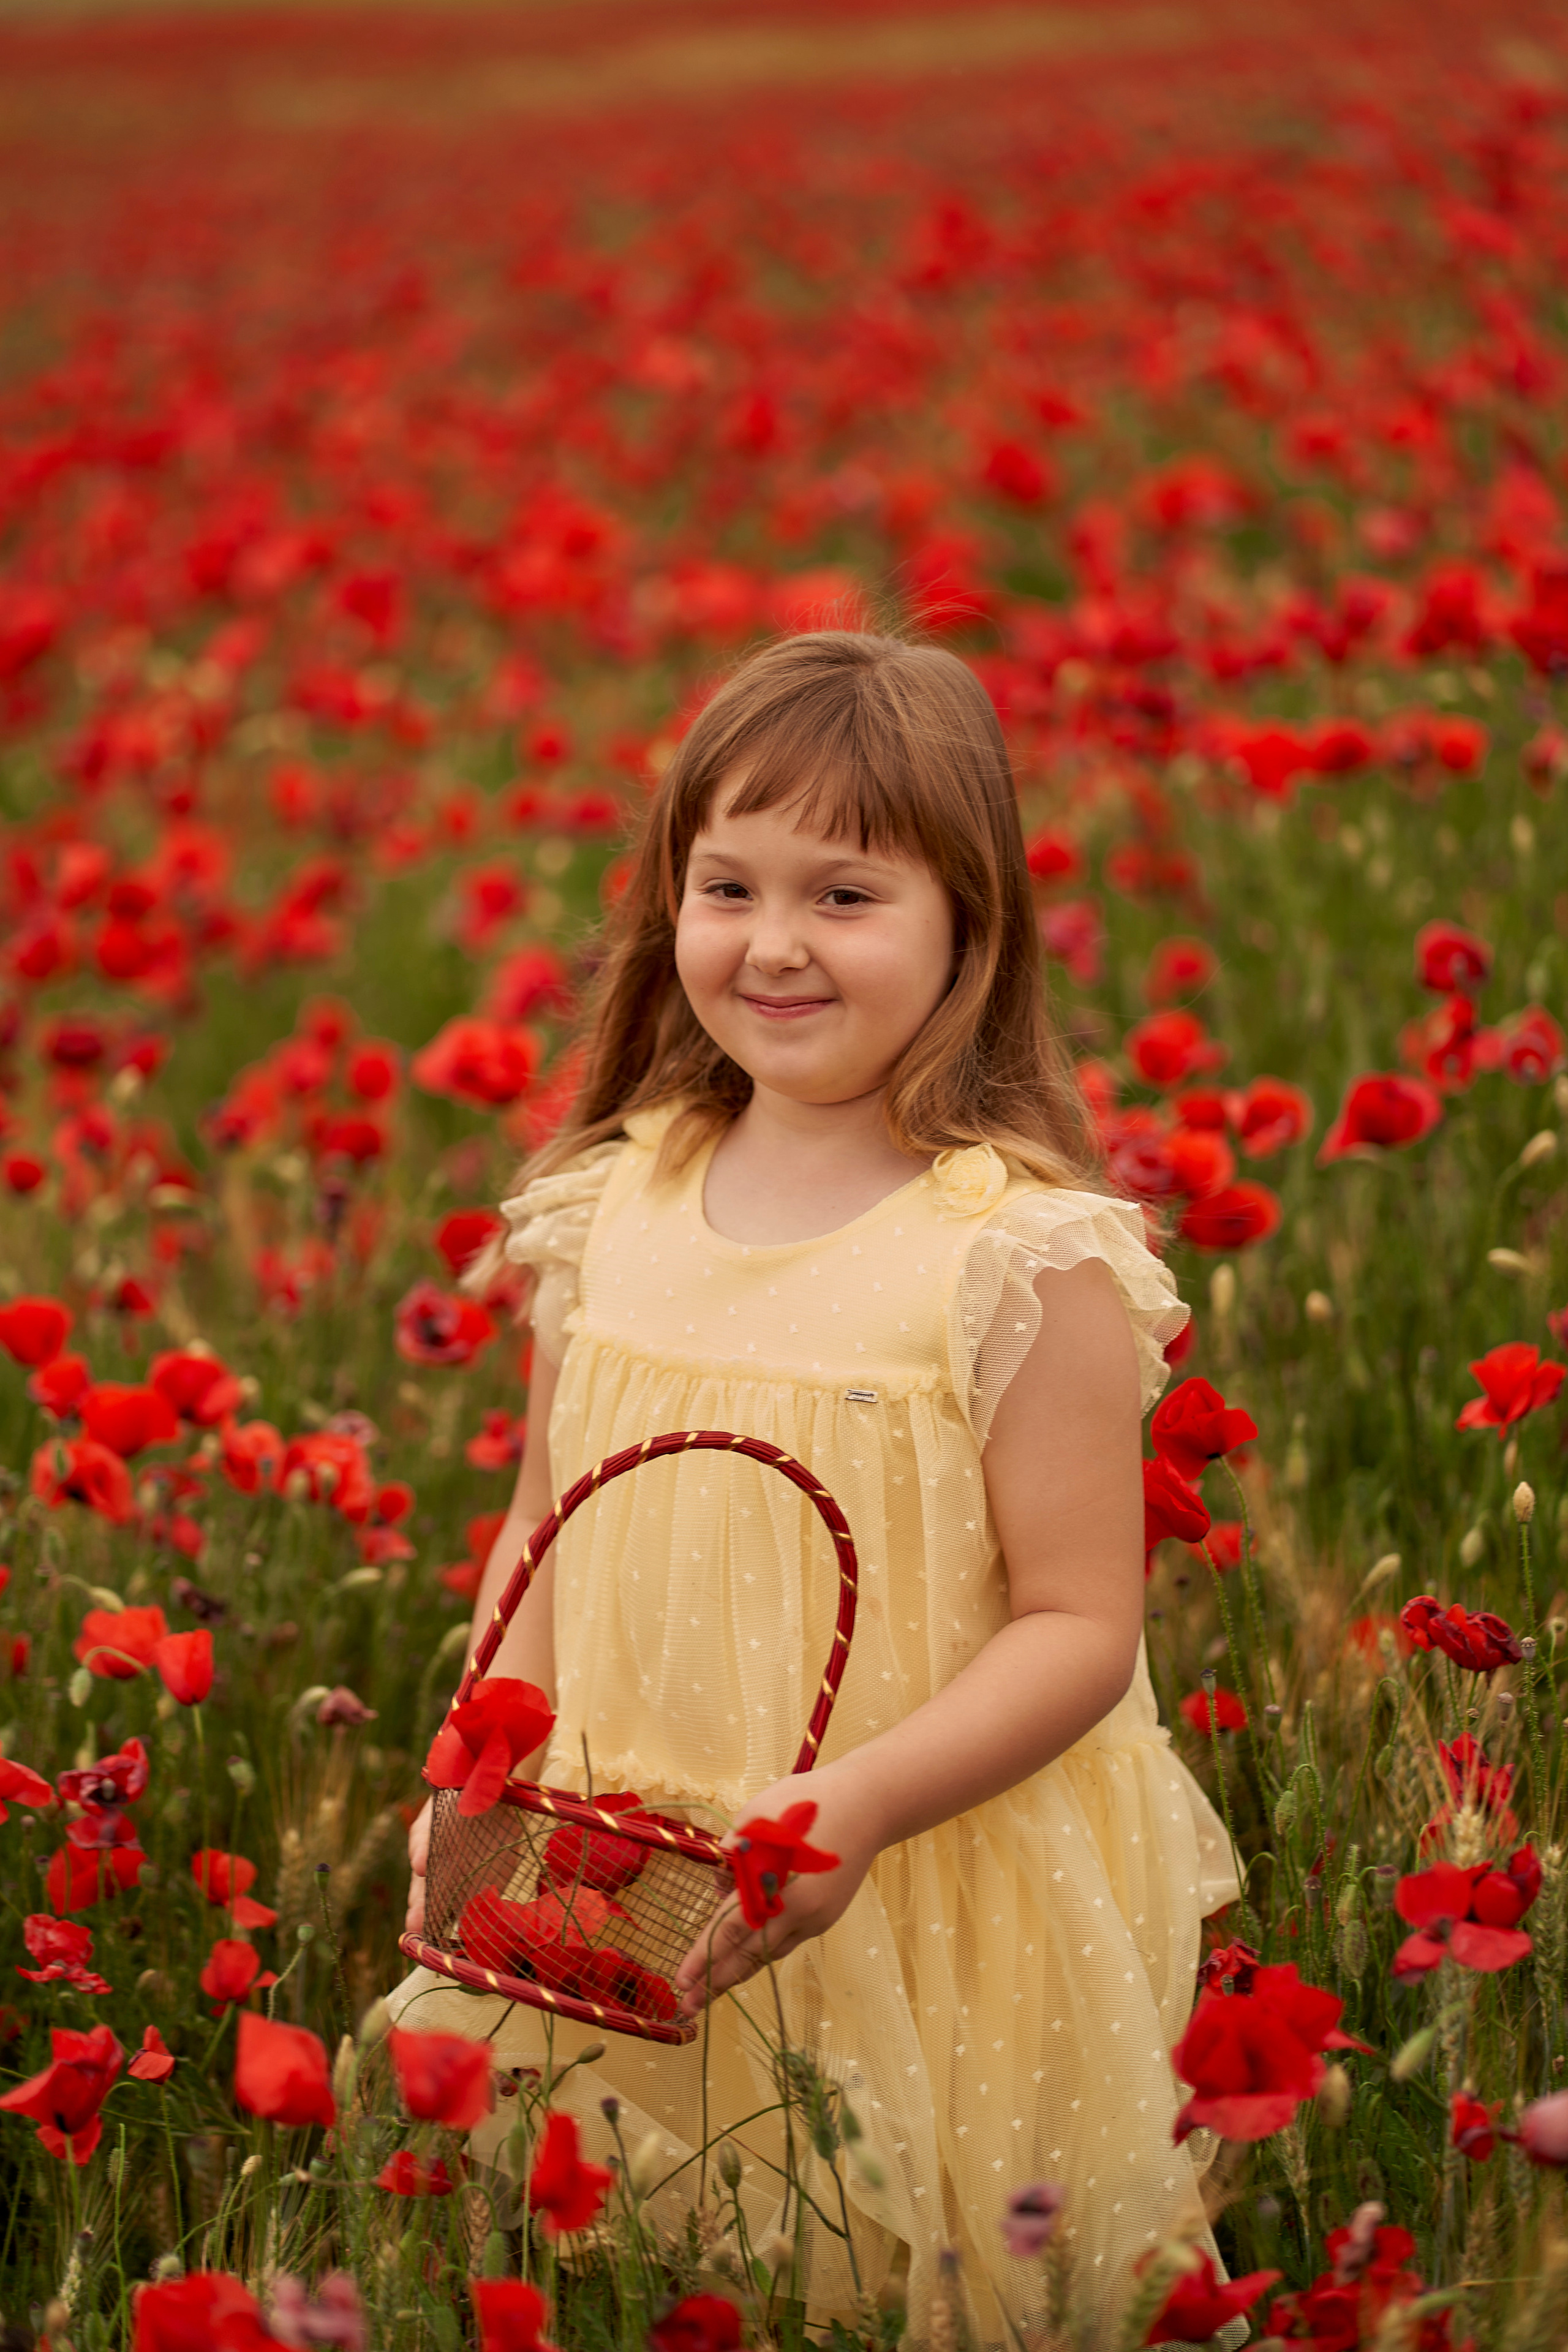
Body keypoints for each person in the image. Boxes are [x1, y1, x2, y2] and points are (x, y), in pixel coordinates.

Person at [393, 630, 1241, 2348]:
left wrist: (846, 1813)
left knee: (894, 2261)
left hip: (902, 1868)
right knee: (648, 2258)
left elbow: (1082, 1625)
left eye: (846, 895)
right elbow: (543, 1526)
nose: (774, 944)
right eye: (729, 886)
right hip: (624, 1862)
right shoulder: (607, 1204)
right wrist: (483, 1758)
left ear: (967, 932)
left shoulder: (1013, 1255)